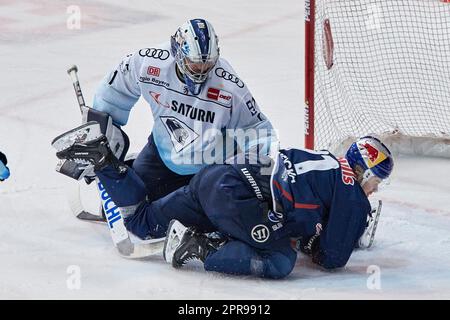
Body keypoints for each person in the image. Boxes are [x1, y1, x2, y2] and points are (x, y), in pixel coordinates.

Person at [55, 129, 393, 279]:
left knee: (142, 223)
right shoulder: (351, 194)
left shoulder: (325, 159)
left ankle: (105, 163)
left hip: (217, 178)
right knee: (279, 260)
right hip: (238, 200)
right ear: (364, 172)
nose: (374, 191)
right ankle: (198, 248)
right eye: (376, 181)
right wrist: (349, 237)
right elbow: (332, 258)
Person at [91, 18, 277, 202]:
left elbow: (258, 129)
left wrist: (262, 177)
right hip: (163, 154)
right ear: (178, 52)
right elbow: (113, 92)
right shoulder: (148, 62)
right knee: (137, 200)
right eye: (195, 63)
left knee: (214, 215)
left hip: (212, 164)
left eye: (208, 64)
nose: (201, 71)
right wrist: (98, 136)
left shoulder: (230, 85)